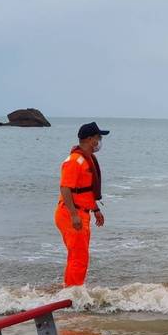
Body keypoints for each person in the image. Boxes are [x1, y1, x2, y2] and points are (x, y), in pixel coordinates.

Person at [55, 122, 108, 287]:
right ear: (90, 139)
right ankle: (73, 295)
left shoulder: (87, 159)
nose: (99, 141)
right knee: (79, 258)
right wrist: (73, 215)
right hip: (71, 214)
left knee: (78, 256)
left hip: (82, 213)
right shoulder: (74, 161)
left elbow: (84, 191)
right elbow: (65, 188)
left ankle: (71, 290)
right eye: (98, 137)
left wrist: (96, 209)